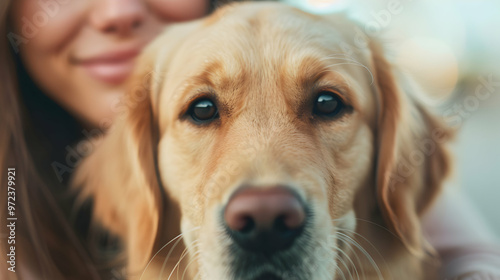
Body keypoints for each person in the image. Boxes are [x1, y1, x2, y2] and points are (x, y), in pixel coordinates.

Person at [0, 0, 498, 279]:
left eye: (327, 104)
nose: (117, 11)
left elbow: (470, 258)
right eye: (203, 109)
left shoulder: (293, 32)